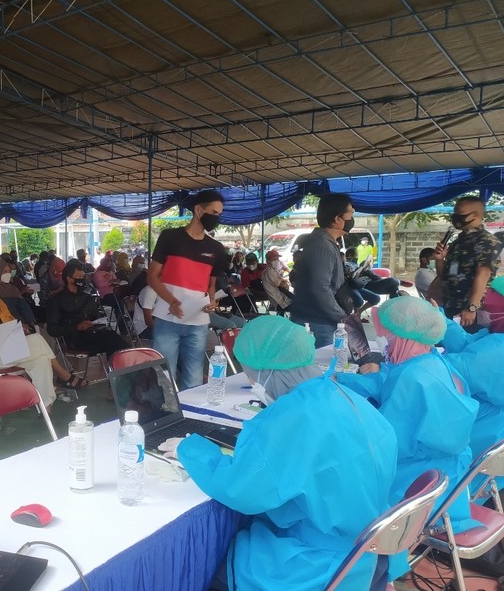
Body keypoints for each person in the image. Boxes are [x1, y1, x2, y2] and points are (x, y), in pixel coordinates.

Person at [160, 316, 397, 591]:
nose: (251, 381)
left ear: (267, 373)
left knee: (209, 564)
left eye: (251, 375)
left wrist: (190, 450)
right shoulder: (345, 396)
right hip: (367, 552)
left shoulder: (286, 420)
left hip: (316, 566)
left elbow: (240, 489)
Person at [336, 296, 479, 543]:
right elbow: (388, 381)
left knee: (342, 478)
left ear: (403, 336)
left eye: (387, 336)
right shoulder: (432, 359)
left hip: (415, 481)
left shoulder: (412, 378)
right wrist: (348, 381)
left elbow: (385, 444)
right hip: (449, 478)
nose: (384, 342)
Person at [0, 271, 84, 408]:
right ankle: (64, 375)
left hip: (9, 350)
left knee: (41, 361)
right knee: (37, 339)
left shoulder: (0, 303)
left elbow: (11, 323)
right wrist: (0, 334)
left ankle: (46, 408)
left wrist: (19, 329)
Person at [148, 189, 227, 390]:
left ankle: (190, 410)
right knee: (164, 377)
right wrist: (172, 301)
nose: (217, 218)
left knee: (194, 379)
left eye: (219, 214)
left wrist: (212, 301)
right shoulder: (170, 237)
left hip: (198, 321)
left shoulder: (217, 249)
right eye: (214, 212)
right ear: (198, 210)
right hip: (167, 318)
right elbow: (152, 277)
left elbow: (211, 286)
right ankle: (167, 409)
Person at [440, 275, 504, 492]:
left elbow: (450, 370)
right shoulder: (496, 336)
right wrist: (441, 321)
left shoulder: (497, 351)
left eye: (489, 307)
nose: (483, 311)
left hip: (486, 435)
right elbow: (468, 345)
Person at [289, 194, 354, 347]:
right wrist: (342, 317)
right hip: (318, 323)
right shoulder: (322, 246)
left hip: (319, 320)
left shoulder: (326, 243)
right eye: (350, 213)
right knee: (323, 361)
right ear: (337, 219)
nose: (352, 218)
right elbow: (320, 288)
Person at [434, 196, 501, 331]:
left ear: (475, 215)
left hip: (470, 310)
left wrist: (471, 308)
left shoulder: (486, 241)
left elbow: (483, 275)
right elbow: (444, 276)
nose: (455, 217)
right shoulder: (458, 242)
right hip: (450, 304)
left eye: (460, 213)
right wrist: (439, 259)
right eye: (455, 213)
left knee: (466, 342)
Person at [46, 264, 129, 358]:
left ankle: (124, 362)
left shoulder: (87, 296)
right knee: (112, 340)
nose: (82, 279)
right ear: (69, 279)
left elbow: (97, 316)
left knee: (113, 339)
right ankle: (127, 363)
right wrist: (77, 327)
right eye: (79, 276)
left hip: (92, 334)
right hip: (73, 339)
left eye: (83, 276)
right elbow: (52, 329)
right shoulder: (57, 300)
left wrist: (97, 321)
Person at [0, 260, 36, 324]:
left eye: (9, 271)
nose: (8, 274)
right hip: (11, 325)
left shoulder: (12, 288)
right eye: (5, 271)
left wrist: (31, 322)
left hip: (25, 324)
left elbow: (24, 307)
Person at [260, 249, 292, 316]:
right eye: (274, 258)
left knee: (300, 303)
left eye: (277, 258)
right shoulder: (269, 272)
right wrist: (286, 280)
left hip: (283, 297)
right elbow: (283, 285)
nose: (277, 260)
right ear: (268, 260)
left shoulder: (274, 270)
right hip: (279, 301)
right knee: (299, 307)